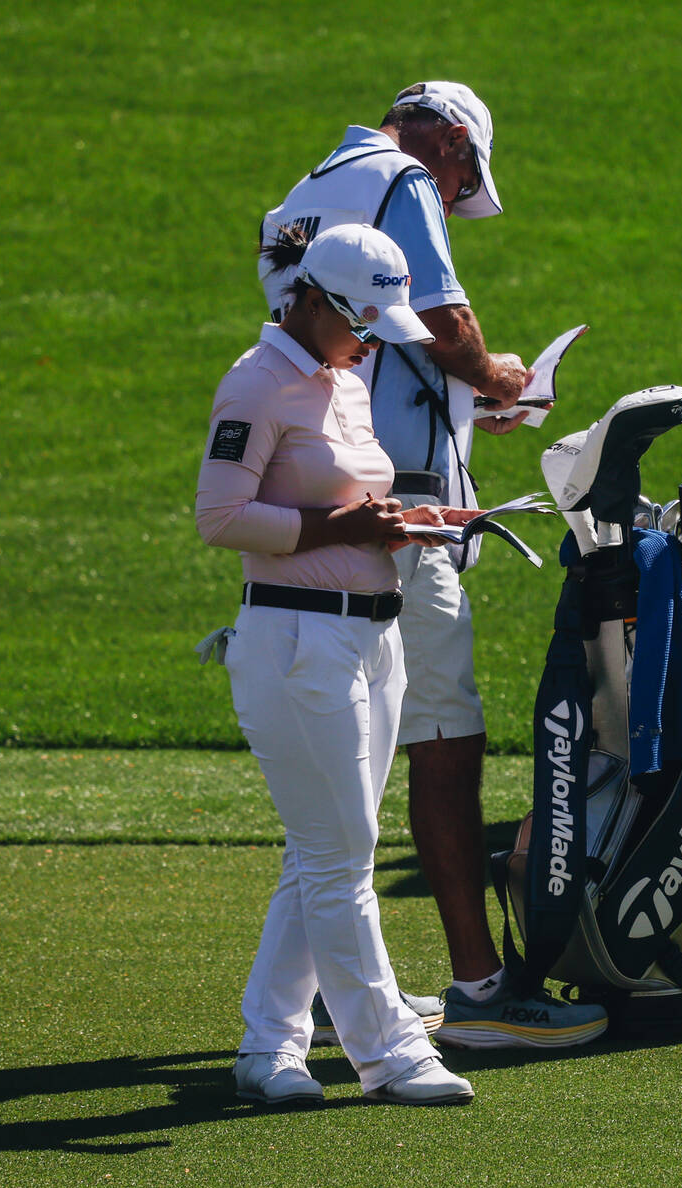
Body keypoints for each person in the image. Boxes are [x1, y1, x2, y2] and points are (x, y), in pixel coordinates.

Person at [258, 82, 608, 1049]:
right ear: (448, 142)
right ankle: (481, 991)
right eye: (465, 180)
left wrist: (468, 405)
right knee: (444, 743)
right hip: (398, 513)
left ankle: (342, 989)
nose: (456, 199)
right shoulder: (402, 176)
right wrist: (503, 381)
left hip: (330, 500)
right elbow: (449, 331)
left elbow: (359, 350)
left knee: (351, 764)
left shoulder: (302, 192)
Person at [195, 223, 475, 1105]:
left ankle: (268, 1048)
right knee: (340, 855)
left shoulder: (345, 379)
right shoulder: (254, 383)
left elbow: (357, 497)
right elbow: (220, 517)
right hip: (293, 640)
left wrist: (407, 522)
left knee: (322, 854)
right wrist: (340, 530)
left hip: (370, 636)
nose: (369, 339)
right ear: (311, 298)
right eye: (361, 320)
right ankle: (390, 1054)